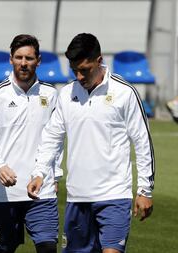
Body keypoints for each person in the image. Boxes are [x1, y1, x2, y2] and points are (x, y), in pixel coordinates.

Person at [27, 33, 155, 253]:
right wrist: (39, 172)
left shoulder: (124, 93)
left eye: (84, 70)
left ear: (99, 60)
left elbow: (143, 143)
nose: (78, 76)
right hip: (77, 197)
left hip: (114, 196)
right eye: (74, 70)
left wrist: (145, 190)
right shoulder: (66, 94)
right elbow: (52, 137)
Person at [0, 34, 61, 253]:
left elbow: (56, 139)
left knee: (48, 247)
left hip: (41, 189)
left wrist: (56, 174)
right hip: (4, 192)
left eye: (28, 58)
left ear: (39, 60)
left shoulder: (51, 95)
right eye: (18, 57)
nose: (23, 63)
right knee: (5, 249)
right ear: (10, 59)